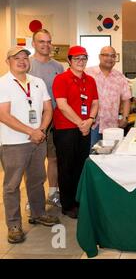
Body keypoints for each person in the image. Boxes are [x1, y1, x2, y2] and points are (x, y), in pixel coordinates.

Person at [0, 47, 60, 244]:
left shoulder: (37, 82)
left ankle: (38, 212)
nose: (22, 61)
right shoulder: (3, 83)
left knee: (36, 179)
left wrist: (41, 130)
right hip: (14, 143)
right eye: (17, 58)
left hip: (38, 139)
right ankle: (14, 224)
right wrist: (31, 131)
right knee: (12, 185)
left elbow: (48, 109)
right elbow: (4, 115)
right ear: (8, 61)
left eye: (25, 58)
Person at [52, 46, 98, 219]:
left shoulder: (90, 80)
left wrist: (90, 120)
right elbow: (62, 105)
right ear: (69, 61)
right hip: (66, 129)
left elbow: (94, 102)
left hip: (84, 127)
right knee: (67, 167)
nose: (81, 61)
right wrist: (81, 123)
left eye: (84, 58)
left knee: (80, 165)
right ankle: (68, 204)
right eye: (77, 58)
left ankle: (79, 200)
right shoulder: (61, 79)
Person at [29, 29, 64, 208]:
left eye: (49, 41)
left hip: (54, 118)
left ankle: (53, 193)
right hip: (31, 121)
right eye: (41, 41)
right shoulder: (26, 64)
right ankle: (33, 197)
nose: (46, 45)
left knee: (53, 157)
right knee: (33, 161)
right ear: (34, 43)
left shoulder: (58, 67)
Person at [85, 46, 131, 146]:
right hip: (92, 125)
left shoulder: (120, 77)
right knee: (91, 155)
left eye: (113, 56)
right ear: (99, 57)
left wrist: (125, 118)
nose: (109, 58)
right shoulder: (88, 73)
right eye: (106, 55)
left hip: (112, 126)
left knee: (111, 155)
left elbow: (126, 98)